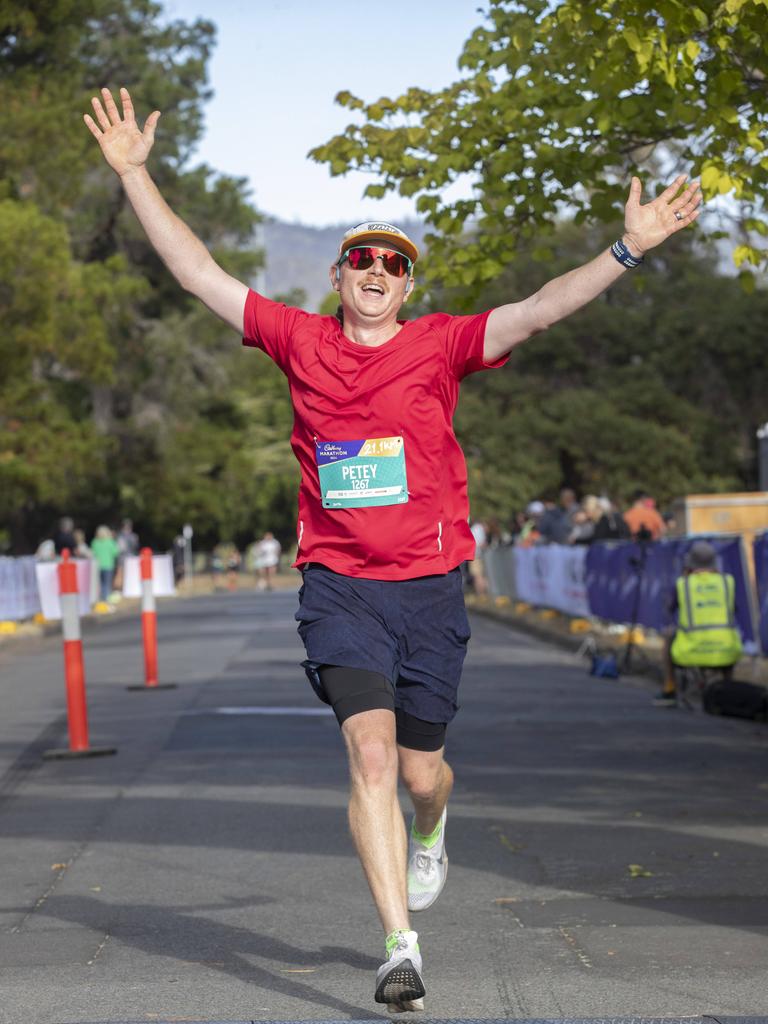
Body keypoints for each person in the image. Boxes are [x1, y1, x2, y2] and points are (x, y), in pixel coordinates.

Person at [84, 86, 701, 1010]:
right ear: (337, 275)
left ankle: (433, 822)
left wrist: (626, 250)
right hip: (340, 586)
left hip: (431, 588)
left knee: (420, 771)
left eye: (394, 262)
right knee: (369, 757)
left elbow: (536, 309)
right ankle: (398, 946)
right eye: (362, 258)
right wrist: (136, 175)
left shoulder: (439, 345)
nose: (377, 269)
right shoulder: (298, 340)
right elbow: (199, 272)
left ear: (408, 285)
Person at [656, 540, 743, 707]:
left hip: (690, 651)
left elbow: (669, 609)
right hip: (726, 652)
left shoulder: (683, 584)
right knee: (727, 638)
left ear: (689, 563)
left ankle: (669, 689)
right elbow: (735, 609)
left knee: (668, 637)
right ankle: (728, 689)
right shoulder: (727, 582)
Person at [91, 525, 120, 602]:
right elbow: (115, 553)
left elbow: (93, 553)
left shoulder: (95, 542)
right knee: (107, 584)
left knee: (100, 584)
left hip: (98, 566)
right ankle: (106, 599)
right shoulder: (110, 542)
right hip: (108, 565)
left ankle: (101, 598)